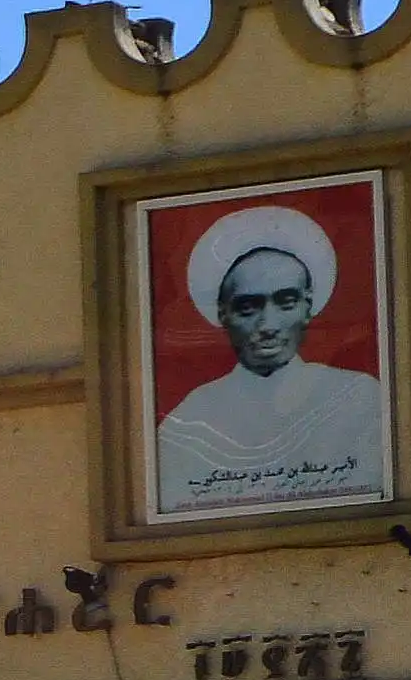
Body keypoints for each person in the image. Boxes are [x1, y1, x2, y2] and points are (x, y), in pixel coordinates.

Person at [153, 204, 388, 516]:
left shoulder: (358, 398)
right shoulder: (189, 422)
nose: (267, 325)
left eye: (285, 303)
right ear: (223, 314)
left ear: (307, 307)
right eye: (248, 308)